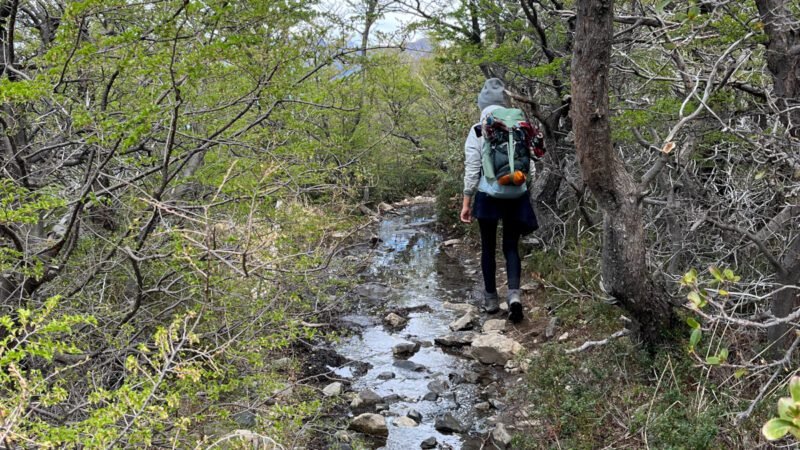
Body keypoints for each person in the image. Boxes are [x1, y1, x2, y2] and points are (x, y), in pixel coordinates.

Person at [460, 78, 538, 323]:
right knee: (511, 246)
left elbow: (473, 167)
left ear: (482, 105)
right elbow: (530, 166)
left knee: (488, 247)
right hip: (517, 192)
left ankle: (491, 299)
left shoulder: (478, 128)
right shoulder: (518, 126)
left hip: (488, 194)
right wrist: (522, 189)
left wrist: (466, 201)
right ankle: (514, 295)